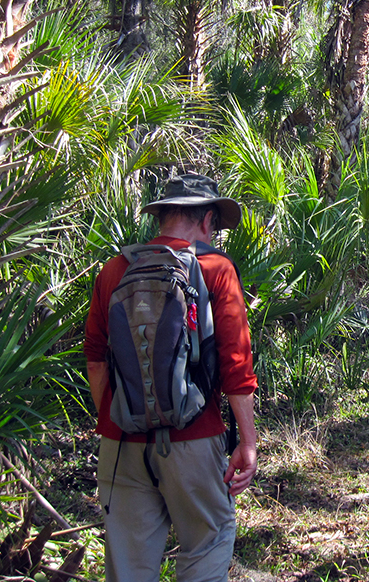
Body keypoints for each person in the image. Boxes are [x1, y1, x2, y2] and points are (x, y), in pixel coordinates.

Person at [84, 173, 257, 582]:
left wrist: (116, 418)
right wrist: (248, 443)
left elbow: (95, 358)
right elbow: (236, 364)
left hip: (121, 442)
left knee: (127, 564)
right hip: (194, 439)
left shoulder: (114, 270)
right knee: (208, 541)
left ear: (160, 217)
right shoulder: (215, 268)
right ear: (207, 220)